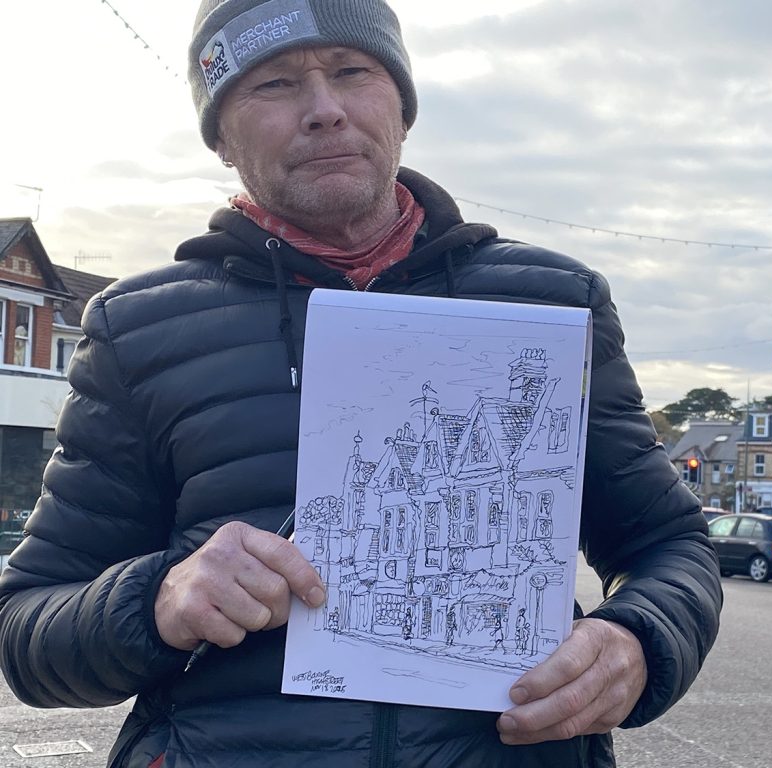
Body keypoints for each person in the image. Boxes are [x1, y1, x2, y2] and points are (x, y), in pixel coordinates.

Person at [0, 1, 722, 766]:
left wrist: (638, 639)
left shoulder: (556, 304)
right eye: (274, 83)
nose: (324, 109)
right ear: (220, 137)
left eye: (352, 71)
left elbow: (668, 542)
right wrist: (159, 600)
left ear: (402, 106)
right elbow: (27, 627)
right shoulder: (137, 329)